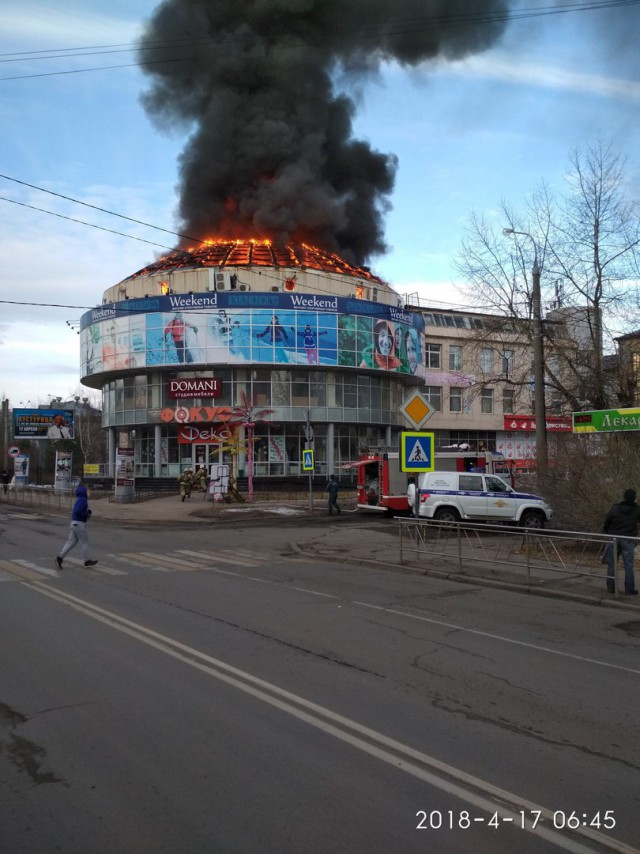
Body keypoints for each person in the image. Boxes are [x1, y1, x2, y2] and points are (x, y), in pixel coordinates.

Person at [603, 488, 640, 595]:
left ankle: (611, 587)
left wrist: (607, 532)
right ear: (634, 498)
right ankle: (629, 589)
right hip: (628, 539)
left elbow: (607, 521)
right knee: (628, 565)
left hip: (614, 538)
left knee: (612, 564)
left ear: (624, 497)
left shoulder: (615, 508)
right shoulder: (637, 509)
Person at [56, 485, 97, 569]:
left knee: (70, 542)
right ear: (84, 492)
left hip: (74, 523)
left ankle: (60, 557)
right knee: (84, 542)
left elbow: (77, 511)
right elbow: (78, 511)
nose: (90, 493)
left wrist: (85, 514)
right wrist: (86, 514)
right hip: (79, 523)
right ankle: (87, 561)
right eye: (89, 491)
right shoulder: (83, 500)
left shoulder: (80, 499)